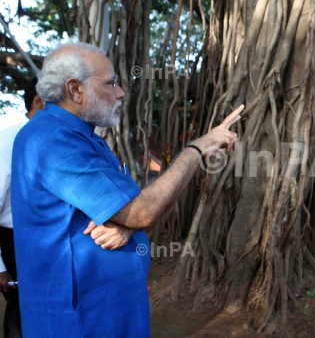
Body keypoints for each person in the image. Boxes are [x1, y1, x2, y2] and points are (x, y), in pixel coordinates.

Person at [10, 42, 242, 338]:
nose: (120, 93)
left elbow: (132, 208)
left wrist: (127, 225)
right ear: (75, 90)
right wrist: (197, 149)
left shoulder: (86, 138)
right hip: (77, 318)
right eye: (111, 83)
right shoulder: (51, 141)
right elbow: (143, 211)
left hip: (108, 307)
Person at [0, 77, 45, 338]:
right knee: (19, 312)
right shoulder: (8, 142)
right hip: (13, 241)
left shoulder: (56, 142)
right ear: (38, 102)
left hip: (45, 240)